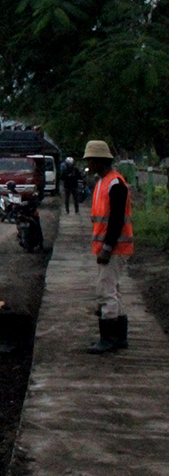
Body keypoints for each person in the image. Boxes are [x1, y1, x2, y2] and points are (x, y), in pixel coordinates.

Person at [83, 140, 133, 354]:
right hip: (111, 247)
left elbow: (116, 219)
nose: (88, 164)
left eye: (90, 160)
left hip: (114, 248)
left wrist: (107, 247)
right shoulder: (105, 182)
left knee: (105, 292)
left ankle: (108, 338)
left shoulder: (115, 184)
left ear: (99, 160)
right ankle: (119, 337)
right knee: (113, 290)